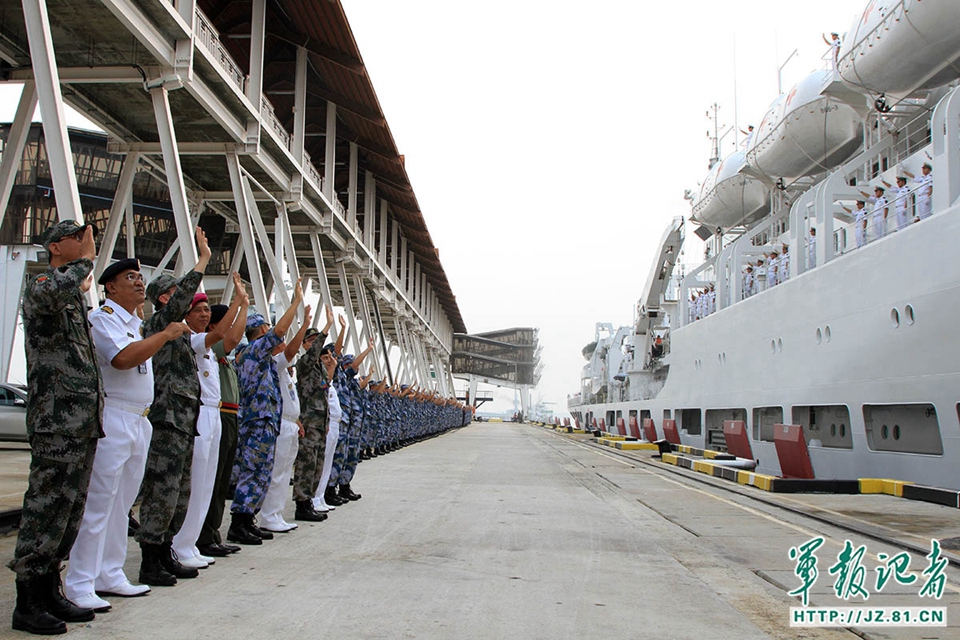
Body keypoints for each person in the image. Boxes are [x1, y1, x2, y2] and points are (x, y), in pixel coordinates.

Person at [63, 258, 191, 612]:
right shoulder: (103, 319)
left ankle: (109, 573)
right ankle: (80, 582)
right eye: (129, 277)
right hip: (114, 415)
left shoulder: (135, 325)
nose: (138, 282)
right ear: (111, 287)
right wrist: (164, 335)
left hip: (139, 419)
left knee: (122, 505)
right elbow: (121, 360)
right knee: (98, 504)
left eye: (139, 277)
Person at [9, 220, 103, 635]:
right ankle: (27, 600)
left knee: (69, 511)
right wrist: (85, 262)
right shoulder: (44, 285)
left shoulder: (73, 297)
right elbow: (56, 290)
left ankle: (50, 589)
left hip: (81, 421)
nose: (85, 242)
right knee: (45, 508)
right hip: (56, 420)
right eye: (76, 237)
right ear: (54, 247)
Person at [135, 226, 211, 587]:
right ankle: (150, 560)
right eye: (177, 293)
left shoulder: (179, 333)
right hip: (167, 421)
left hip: (183, 422)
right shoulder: (160, 323)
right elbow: (183, 298)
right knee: (161, 492)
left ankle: (165, 551)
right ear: (166, 298)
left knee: (179, 493)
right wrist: (203, 259)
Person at [171, 278, 247, 569]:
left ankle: (193, 542)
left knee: (208, 482)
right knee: (197, 481)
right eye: (198, 310)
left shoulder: (207, 348)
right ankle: (185, 542)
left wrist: (241, 304)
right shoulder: (193, 340)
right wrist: (240, 303)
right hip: (202, 413)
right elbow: (225, 337)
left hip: (217, 414)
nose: (203, 314)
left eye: (206, 310)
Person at [227, 281, 304, 545]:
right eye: (267, 328)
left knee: (262, 473)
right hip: (256, 422)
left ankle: (248, 519)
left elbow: (286, 349)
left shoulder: (263, 359)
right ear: (261, 330)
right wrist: (295, 302)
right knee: (252, 471)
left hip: (266, 423)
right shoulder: (253, 351)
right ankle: (239, 522)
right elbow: (280, 332)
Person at [195, 296, 248, 558]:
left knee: (222, 479)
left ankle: (212, 532)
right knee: (212, 480)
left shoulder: (223, 356)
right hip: (218, 414)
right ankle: (204, 536)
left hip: (229, 416)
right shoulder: (210, 347)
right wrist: (243, 305)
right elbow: (233, 338)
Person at [258, 305, 314, 533]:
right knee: (276, 473)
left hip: (290, 422)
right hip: (280, 423)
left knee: (284, 473)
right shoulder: (275, 362)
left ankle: (277, 514)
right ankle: (268, 516)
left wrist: (297, 420)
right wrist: (305, 325)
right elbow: (291, 350)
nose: (283, 343)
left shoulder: (284, 370)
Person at [293, 307, 335, 519]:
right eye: (311, 341)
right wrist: (327, 327)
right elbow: (312, 354)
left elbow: (324, 393)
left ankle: (309, 501)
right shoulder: (304, 364)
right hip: (308, 422)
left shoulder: (319, 368)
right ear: (304, 345)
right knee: (306, 464)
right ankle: (301, 505)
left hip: (319, 423)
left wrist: (326, 422)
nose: (315, 344)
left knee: (317, 464)